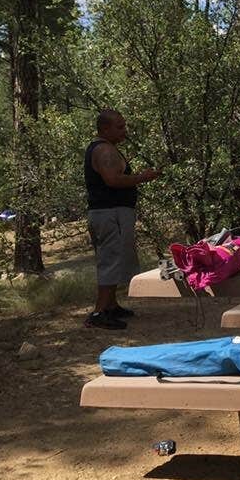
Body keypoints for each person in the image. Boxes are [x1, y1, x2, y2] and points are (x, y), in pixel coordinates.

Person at [84, 110, 160, 329]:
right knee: (111, 259)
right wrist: (143, 178)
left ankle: (111, 306)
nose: (124, 131)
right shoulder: (103, 150)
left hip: (111, 213)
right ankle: (98, 313)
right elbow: (112, 180)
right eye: (119, 127)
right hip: (110, 214)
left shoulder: (105, 148)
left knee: (115, 258)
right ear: (105, 129)